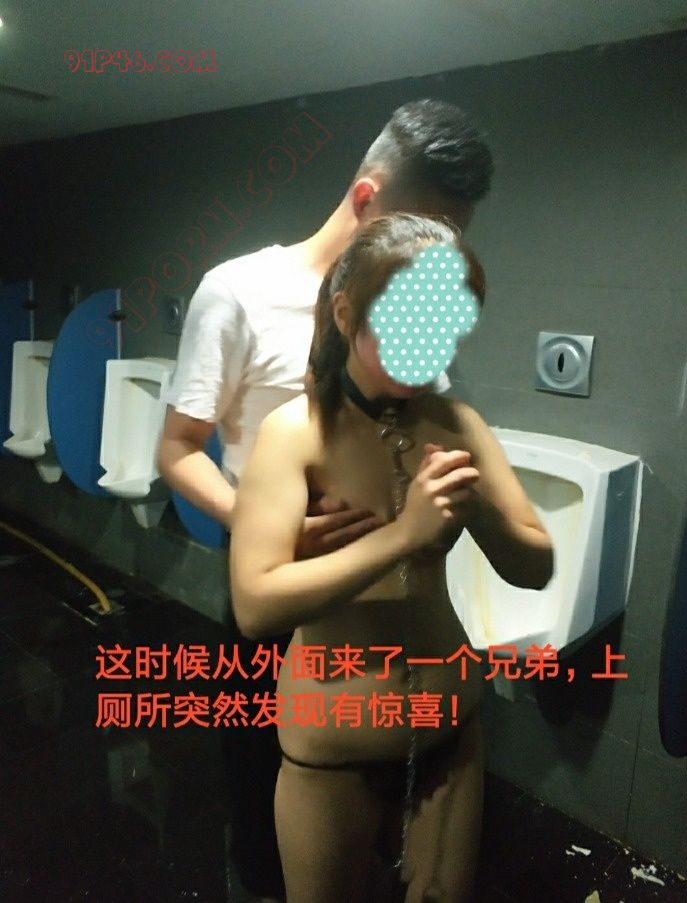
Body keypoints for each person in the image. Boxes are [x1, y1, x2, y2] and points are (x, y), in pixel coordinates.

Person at [158, 99, 495, 901]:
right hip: (279, 596)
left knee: (398, 820)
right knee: (266, 824)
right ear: (369, 198)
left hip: (390, 610)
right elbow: (176, 449)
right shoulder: (238, 291)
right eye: (428, 226)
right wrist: (268, 530)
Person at [230, 212, 554, 903]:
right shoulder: (296, 433)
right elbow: (255, 605)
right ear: (346, 314)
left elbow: (537, 566)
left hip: (452, 744)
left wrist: (476, 508)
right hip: (331, 761)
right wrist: (405, 534)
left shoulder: (458, 424)